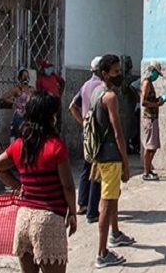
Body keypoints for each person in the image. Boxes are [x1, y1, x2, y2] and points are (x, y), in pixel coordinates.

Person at [0, 92, 77, 273]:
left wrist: (18, 185)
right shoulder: (56, 147)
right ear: (50, 117)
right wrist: (73, 212)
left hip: (23, 218)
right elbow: (68, 186)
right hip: (49, 219)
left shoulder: (20, 144)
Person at [91, 54, 134, 268]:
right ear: (105, 73)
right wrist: (126, 163)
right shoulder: (109, 97)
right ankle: (102, 252)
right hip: (111, 156)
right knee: (106, 204)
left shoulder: (95, 92)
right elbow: (118, 133)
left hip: (101, 154)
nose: (119, 75)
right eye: (116, 72)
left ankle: (115, 234)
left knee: (112, 197)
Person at [69, 56, 103, 223]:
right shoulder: (101, 87)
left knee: (86, 167)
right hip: (97, 133)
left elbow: (72, 106)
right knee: (96, 170)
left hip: (87, 132)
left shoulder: (85, 86)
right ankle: (92, 209)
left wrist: (83, 124)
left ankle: (82, 203)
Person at [140, 61, 165, 181]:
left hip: (153, 117)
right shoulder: (146, 83)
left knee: (153, 146)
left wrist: (159, 100)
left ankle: (149, 169)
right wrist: (156, 104)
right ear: (152, 71)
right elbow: (144, 102)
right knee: (149, 146)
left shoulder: (150, 83)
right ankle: (146, 172)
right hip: (149, 118)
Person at [3, 69, 35, 142]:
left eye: (27, 76)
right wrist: (14, 103)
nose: (26, 78)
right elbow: (5, 97)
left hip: (29, 116)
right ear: (20, 78)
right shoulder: (17, 89)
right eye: (24, 76)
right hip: (19, 116)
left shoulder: (32, 89)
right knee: (19, 137)